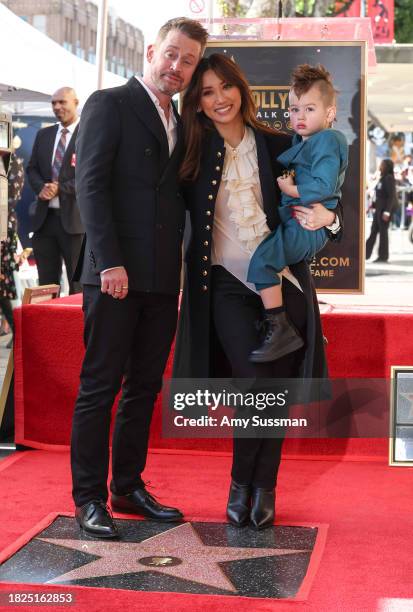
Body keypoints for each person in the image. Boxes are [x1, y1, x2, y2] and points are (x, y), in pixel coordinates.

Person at [173, 54, 342, 530]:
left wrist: (331, 219)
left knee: (276, 393)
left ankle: (264, 488)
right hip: (225, 286)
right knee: (252, 383)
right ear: (198, 103)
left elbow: (325, 195)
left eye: (225, 87)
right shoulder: (190, 152)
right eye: (207, 92)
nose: (219, 98)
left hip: (285, 287)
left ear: (240, 89)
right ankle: (241, 484)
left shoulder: (276, 144)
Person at [71, 17, 208, 539]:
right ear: (152, 51)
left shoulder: (184, 119)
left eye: (188, 60)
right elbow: (90, 186)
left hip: (160, 278)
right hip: (112, 274)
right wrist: (108, 262)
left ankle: (126, 486)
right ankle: (88, 498)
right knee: (99, 386)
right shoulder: (110, 103)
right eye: (172, 54)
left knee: (144, 387)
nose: (177, 66)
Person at [247, 64, 348, 363]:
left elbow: (324, 185)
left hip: (307, 224)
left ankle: (282, 329)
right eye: (293, 109)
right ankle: (290, 324)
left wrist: (292, 191)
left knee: (263, 263)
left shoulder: (329, 140)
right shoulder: (298, 141)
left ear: (329, 113)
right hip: (296, 222)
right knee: (268, 264)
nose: (299, 117)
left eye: (309, 109)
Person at [27, 87, 83, 294]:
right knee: (46, 285)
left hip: (75, 224)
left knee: (77, 286)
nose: (57, 107)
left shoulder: (89, 134)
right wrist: (41, 187)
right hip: (44, 221)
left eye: (62, 102)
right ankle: (47, 327)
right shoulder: (44, 135)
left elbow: (92, 175)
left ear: (76, 103)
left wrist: (62, 188)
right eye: (53, 103)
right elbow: (31, 168)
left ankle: (75, 327)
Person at [0, 147, 24, 348]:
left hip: (2, 227)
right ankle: (17, 330)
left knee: (1, 282)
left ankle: (18, 331)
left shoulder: (11, 161)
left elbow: (11, 197)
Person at [366, 159, 396, 263]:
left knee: (383, 233)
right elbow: (380, 195)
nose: (380, 166)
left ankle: (383, 256)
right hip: (378, 209)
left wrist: (387, 212)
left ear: (387, 166)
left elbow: (391, 196)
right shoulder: (382, 178)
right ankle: (365, 254)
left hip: (384, 211)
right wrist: (372, 205)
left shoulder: (389, 178)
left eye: (382, 164)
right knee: (373, 231)